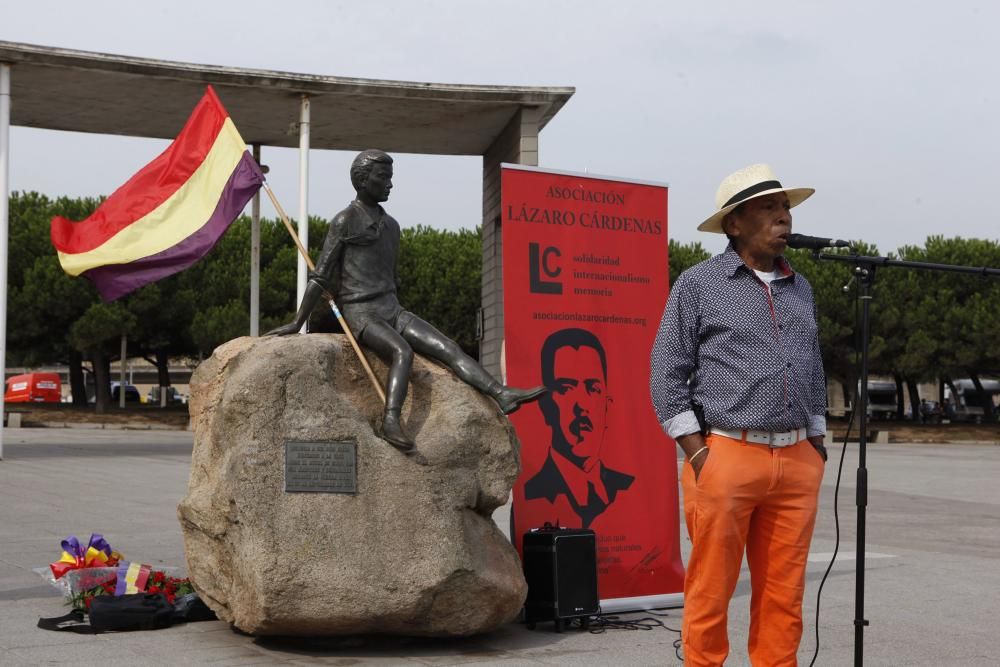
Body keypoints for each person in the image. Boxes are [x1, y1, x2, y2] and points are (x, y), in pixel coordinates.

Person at [649, 163, 828, 666]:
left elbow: (812, 366)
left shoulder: (801, 288)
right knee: (711, 591)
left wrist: (815, 440)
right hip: (727, 453)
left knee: (784, 596)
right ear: (734, 224)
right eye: (769, 208)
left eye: (786, 208)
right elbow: (667, 371)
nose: (783, 218)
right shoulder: (699, 284)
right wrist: (700, 454)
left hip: (795, 459)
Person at [268, 149, 545, 452]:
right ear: (362, 180)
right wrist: (298, 322)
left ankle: (500, 393)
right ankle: (390, 422)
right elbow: (320, 277)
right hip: (361, 313)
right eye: (383, 177)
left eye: (390, 178)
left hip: (392, 308)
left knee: (447, 347)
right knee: (402, 352)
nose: (390, 184)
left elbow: (390, 276)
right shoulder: (344, 221)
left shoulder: (392, 227)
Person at [525, 327, 634, 528]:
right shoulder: (530, 495)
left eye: (593, 388)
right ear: (545, 406)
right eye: (566, 388)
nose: (582, 405)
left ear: (607, 404)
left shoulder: (632, 490)